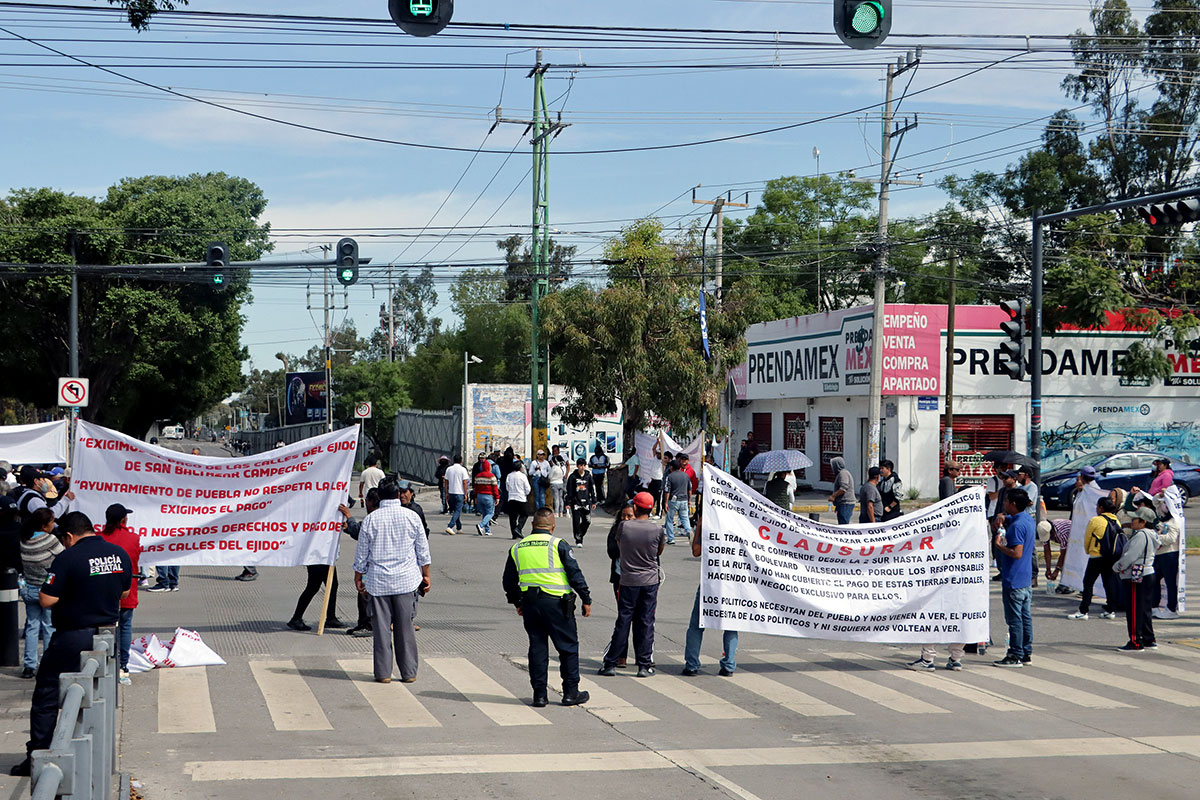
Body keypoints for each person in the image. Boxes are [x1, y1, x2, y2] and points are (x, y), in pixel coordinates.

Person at [10, 511, 131, 777]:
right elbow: (124, 592)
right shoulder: (118, 554)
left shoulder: (67, 558)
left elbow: (46, 600)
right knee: (96, 697)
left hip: (72, 636)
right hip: (107, 637)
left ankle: (38, 756)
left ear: (68, 536)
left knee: (46, 696)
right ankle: (90, 757)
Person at [502, 508, 592, 707]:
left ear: (532, 525)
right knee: (567, 648)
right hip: (557, 604)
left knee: (537, 648)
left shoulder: (518, 547)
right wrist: (586, 599)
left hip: (531, 605)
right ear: (553, 526)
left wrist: (518, 602)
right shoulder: (558, 544)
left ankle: (539, 695)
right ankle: (570, 693)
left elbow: (508, 581)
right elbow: (574, 574)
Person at [354, 481, 431, 683]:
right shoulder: (412, 517)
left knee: (381, 629)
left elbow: (362, 554)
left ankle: (383, 673)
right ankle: (409, 672)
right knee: (405, 627)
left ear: (379, 495)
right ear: (398, 494)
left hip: (378, 582)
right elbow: (423, 551)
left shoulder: (371, 520)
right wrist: (426, 575)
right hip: (406, 580)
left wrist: (358, 577)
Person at [598, 492, 665, 678]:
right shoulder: (658, 530)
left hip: (628, 581)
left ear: (635, 508)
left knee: (623, 621)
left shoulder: (624, 527)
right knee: (646, 622)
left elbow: (619, 546)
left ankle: (611, 663)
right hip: (650, 581)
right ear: (651, 509)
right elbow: (659, 551)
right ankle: (644, 665)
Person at [682, 503, 738, 676]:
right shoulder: (737, 527)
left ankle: (692, 664)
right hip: (732, 584)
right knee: (731, 625)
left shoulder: (710, 527)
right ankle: (728, 665)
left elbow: (696, 551)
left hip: (711, 584)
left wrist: (699, 526)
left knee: (697, 625)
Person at [99, 503, 141, 686]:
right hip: (126, 589)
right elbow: (135, 559)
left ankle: (103, 661)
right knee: (125, 626)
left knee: (102, 627)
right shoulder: (133, 538)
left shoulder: (98, 538)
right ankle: (123, 664)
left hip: (102, 591)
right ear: (124, 519)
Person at [18, 507, 61, 679]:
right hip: (47, 590)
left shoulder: (24, 539)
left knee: (32, 627)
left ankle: (29, 665)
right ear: (44, 525)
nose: (54, 524)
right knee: (49, 627)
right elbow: (64, 557)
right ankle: (48, 663)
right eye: (52, 521)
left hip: (29, 588)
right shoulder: (49, 540)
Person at [993, 490, 1035, 667]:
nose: (1005, 504)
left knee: (1014, 619)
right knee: (1025, 617)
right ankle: (1026, 652)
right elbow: (1009, 519)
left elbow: (1016, 553)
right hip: (1025, 578)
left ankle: (1015, 654)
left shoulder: (1017, 527)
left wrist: (999, 546)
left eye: (1007, 502)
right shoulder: (1027, 519)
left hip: (1014, 578)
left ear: (1014, 504)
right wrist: (1003, 517)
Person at [1114, 506, 1160, 652]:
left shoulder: (1141, 535)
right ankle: (1149, 638)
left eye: (1135, 519)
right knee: (1144, 608)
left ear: (1143, 522)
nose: (1132, 521)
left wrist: (1117, 567)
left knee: (1134, 609)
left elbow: (1130, 556)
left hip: (1138, 573)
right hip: (1147, 573)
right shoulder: (1151, 534)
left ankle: (1135, 641)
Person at [1068, 497, 1122, 621]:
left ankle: (1083, 610)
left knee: (1088, 583)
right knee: (1109, 583)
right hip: (1111, 557)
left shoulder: (1095, 520)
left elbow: (1087, 539)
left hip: (1096, 556)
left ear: (1101, 508)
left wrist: (1088, 551)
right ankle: (1111, 610)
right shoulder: (1116, 520)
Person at [340, 488, 380, 637]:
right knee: (365, 596)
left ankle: (368, 625)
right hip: (380, 566)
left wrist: (349, 516)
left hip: (372, 566)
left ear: (370, 502)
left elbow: (359, 531)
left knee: (365, 595)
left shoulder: (373, 518)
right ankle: (364, 623)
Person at [605, 503, 636, 668]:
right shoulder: (615, 531)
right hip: (620, 579)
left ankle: (644, 657)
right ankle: (620, 656)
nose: (626, 519)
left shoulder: (642, 531)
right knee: (624, 618)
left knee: (642, 619)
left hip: (641, 581)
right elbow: (611, 552)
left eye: (630, 516)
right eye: (623, 516)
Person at [1152, 503, 1181, 619]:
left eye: (1166, 503)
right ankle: (1154, 606)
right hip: (1159, 554)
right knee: (1154, 581)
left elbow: (1171, 538)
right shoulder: (1163, 518)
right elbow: (1155, 503)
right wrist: (1160, 495)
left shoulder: (1174, 521)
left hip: (1170, 554)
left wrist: (1156, 538)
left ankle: (1171, 609)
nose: (1163, 506)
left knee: (1170, 583)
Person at [564, 458, 596, 547]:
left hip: (586, 502)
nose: (582, 467)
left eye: (584, 465)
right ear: (577, 466)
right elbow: (569, 490)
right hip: (576, 502)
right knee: (576, 522)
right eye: (580, 465)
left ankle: (580, 533)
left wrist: (594, 501)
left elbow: (592, 489)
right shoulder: (572, 477)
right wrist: (567, 503)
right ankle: (578, 540)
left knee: (587, 521)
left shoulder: (588, 476)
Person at [663, 459, 693, 543]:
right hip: (684, 499)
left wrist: (665, 502)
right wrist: (689, 500)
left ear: (671, 467)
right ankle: (688, 531)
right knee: (685, 518)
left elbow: (667, 490)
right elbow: (689, 489)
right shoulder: (685, 475)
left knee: (669, 519)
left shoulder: (670, 476)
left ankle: (671, 538)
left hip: (673, 500)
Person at [442, 454, 471, 535]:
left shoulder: (449, 469)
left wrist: (446, 492)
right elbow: (465, 482)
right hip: (460, 492)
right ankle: (450, 526)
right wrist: (466, 493)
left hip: (451, 492)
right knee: (458, 510)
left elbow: (446, 481)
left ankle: (459, 527)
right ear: (461, 461)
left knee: (455, 510)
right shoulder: (463, 470)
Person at [506, 460, 532, 539]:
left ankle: (514, 533)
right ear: (520, 468)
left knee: (513, 517)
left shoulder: (509, 475)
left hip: (511, 497)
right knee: (524, 514)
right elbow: (527, 488)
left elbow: (507, 487)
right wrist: (526, 493)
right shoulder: (522, 476)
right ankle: (518, 528)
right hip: (521, 497)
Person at [473, 460, 500, 536]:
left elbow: (476, 488)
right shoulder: (492, 476)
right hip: (488, 496)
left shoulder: (477, 476)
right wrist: (497, 497)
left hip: (479, 496)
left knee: (485, 513)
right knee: (490, 513)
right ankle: (481, 525)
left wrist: (475, 497)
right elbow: (495, 488)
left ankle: (487, 530)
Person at [827, 457, 855, 525]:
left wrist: (833, 496)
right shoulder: (840, 474)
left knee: (844, 524)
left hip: (846, 503)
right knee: (841, 522)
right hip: (842, 503)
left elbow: (843, 488)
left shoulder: (843, 473)